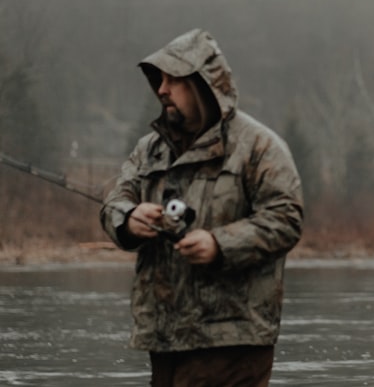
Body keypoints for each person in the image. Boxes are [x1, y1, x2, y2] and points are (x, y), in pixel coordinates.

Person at [100, 28, 304, 387]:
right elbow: (115, 202)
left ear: (202, 85)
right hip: (163, 339)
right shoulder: (150, 149)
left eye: (172, 80)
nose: (161, 89)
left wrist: (220, 245)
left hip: (233, 342)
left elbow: (285, 219)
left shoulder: (259, 147)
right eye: (158, 80)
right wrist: (129, 220)